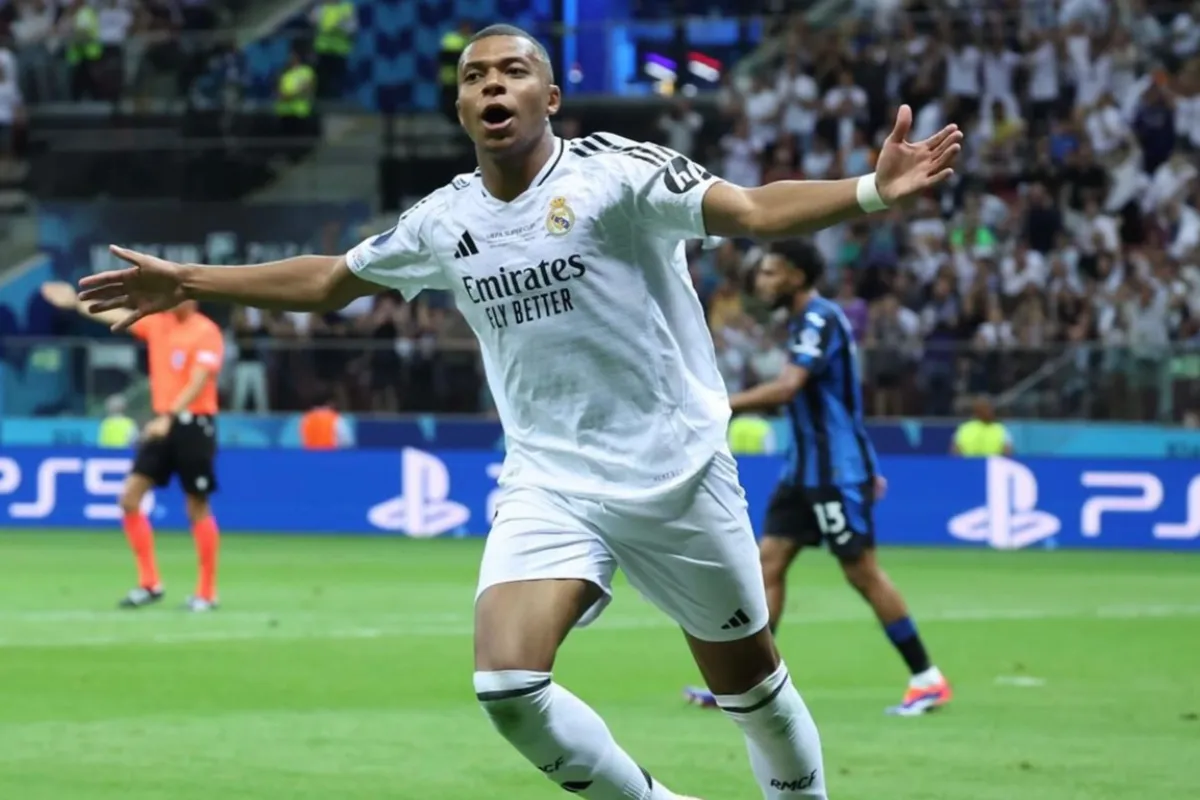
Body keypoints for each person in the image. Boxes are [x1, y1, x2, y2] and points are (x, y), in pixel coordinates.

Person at [77, 24, 961, 799]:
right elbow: (329, 280)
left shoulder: (619, 175)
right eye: (474, 77)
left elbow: (755, 210)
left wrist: (872, 190)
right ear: (461, 106)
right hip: (550, 482)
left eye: (511, 71)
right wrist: (187, 280)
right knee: (506, 684)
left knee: (752, 692)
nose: (491, 85)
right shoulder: (442, 220)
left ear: (551, 95)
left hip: (679, 475)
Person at [684, 241, 952, 718]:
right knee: (768, 564)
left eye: (769, 272)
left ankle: (926, 677)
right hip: (802, 469)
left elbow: (789, 388)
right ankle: (750, 683)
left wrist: (717, 406)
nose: (761, 282)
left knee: (861, 571)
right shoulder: (802, 322)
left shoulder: (818, 318)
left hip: (834, 472)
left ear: (795, 274)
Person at [41, 282, 224, 613]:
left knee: (196, 506)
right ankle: (150, 583)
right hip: (162, 424)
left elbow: (199, 381)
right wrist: (76, 303)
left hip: (194, 424)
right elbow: (118, 315)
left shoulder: (206, 332)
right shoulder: (158, 324)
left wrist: (170, 415)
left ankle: (207, 592)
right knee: (129, 499)